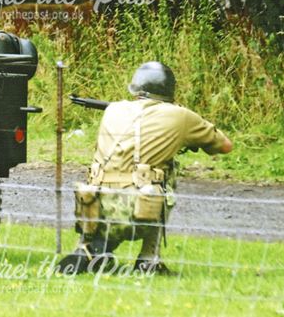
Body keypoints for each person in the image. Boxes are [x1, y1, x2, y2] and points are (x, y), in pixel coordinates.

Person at [57, 61, 233, 275]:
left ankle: (90, 248)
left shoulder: (113, 110)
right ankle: (148, 260)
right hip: (138, 209)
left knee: (109, 174)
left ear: (136, 88)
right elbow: (225, 146)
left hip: (93, 208)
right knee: (163, 173)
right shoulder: (181, 116)